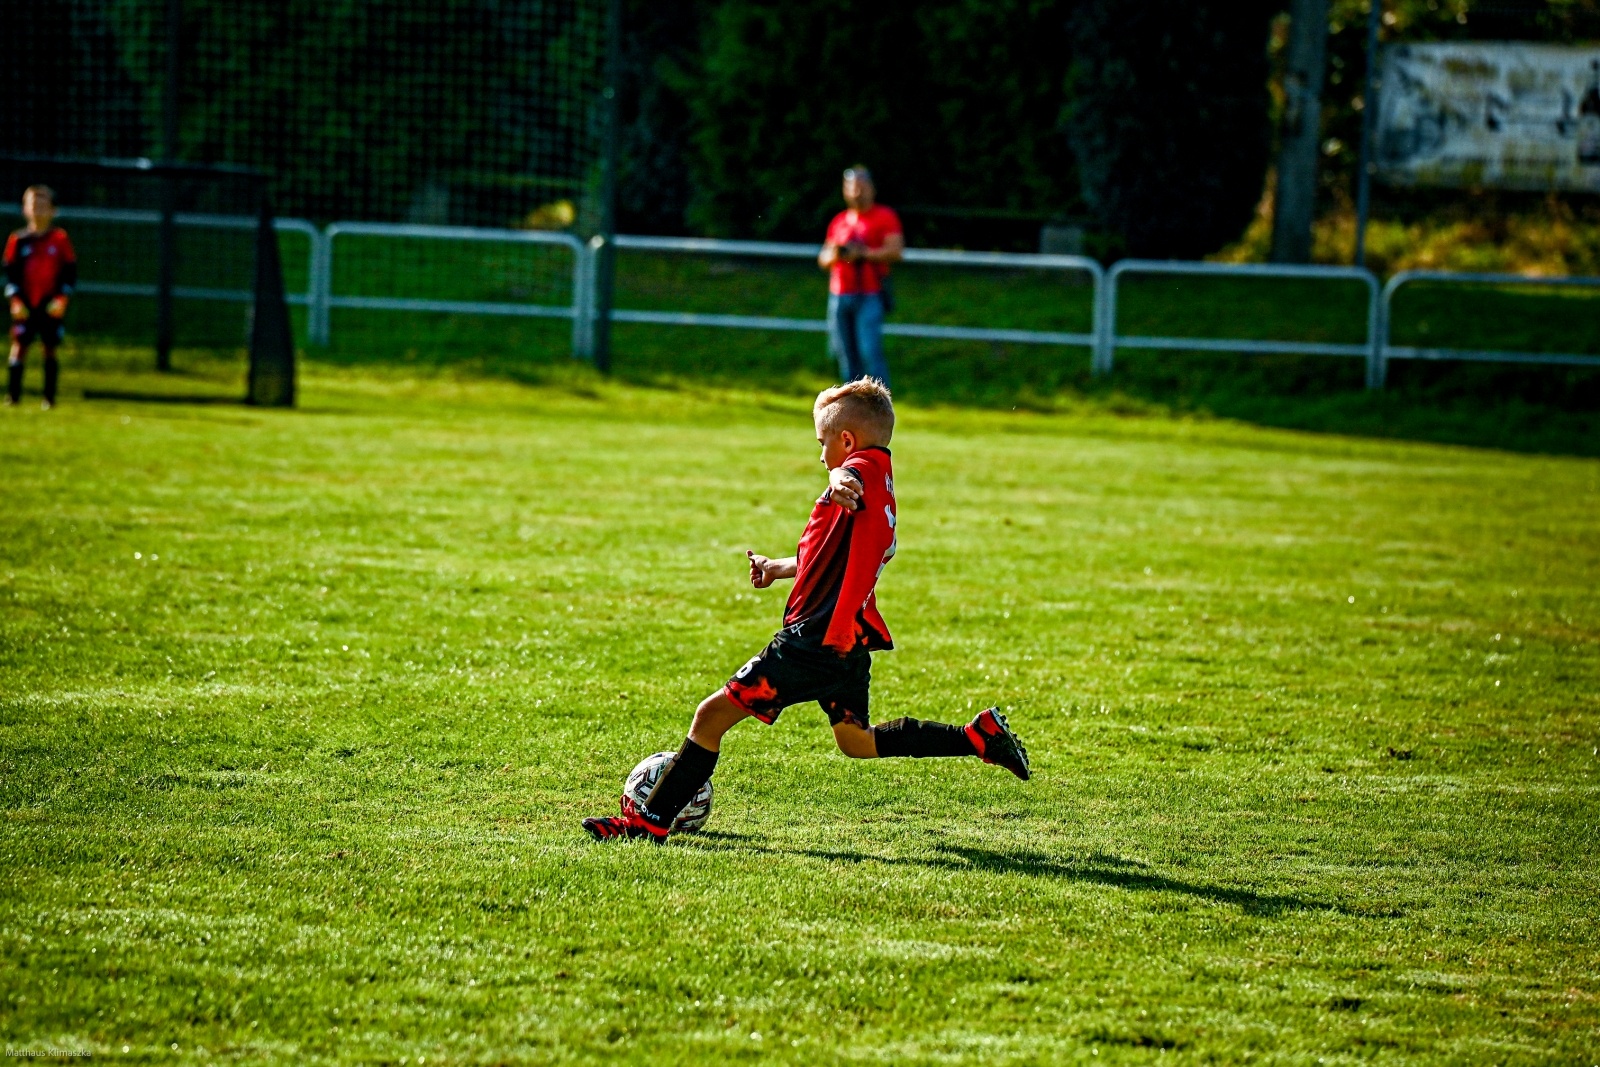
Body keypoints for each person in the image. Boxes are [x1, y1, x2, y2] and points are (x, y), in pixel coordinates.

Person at [581, 378, 1030, 843]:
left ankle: (646, 823)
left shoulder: (857, 475)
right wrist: (777, 568)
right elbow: (830, 557)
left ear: (847, 441)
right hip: (848, 640)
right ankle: (976, 737)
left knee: (709, 718)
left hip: (813, 640)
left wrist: (839, 479)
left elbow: (845, 476)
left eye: (823, 443)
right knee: (856, 741)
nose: (821, 456)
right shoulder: (882, 481)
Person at [819, 166, 903, 386]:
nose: (857, 192)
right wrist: (839, 253)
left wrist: (863, 253)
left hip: (869, 293)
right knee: (845, 354)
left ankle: (880, 404)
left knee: (870, 351)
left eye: (861, 187)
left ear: (871, 188)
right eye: (852, 187)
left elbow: (895, 251)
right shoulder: (840, 221)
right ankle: (852, 405)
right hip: (840, 294)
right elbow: (824, 258)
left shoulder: (884, 216)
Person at [5, 185, 76, 409]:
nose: (38, 210)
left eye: (44, 206)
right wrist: (15, 301)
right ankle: (13, 397)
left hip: (49, 304)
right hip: (26, 303)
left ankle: (49, 398)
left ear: (54, 210)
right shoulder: (17, 240)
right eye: (34, 205)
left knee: (50, 347)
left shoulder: (60, 239)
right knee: (19, 346)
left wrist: (61, 300)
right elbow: (10, 275)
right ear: (25, 209)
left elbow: (70, 273)